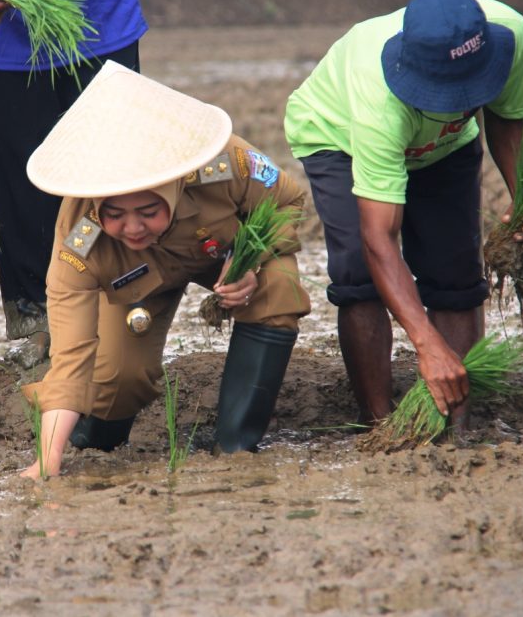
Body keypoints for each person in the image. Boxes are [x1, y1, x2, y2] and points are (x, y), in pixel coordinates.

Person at [18, 62, 311, 478]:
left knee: (278, 286)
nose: (133, 227)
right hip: (138, 282)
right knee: (121, 378)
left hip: (222, 255)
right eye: (115, 214)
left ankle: (236, 445)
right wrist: (46, 465)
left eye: (148, 211)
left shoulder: (224, 162)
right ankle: (90, 433)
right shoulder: (78, 240)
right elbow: (71, 356)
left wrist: (252, 258)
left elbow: (288, 201)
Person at [283, 0, 523, 430]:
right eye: (445, 93)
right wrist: (426, 344)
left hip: (445, 146)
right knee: (358, 275)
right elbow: (379, 239)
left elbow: (505, 116)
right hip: (339, 136)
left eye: (470, 89)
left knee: (455, 274)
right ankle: (379, 425)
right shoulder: (378, 101)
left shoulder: (511, 34)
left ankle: (455, 423)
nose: (460, 103)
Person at [0, 0, 148, 369]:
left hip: (99, 24)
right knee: (19, 189)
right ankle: (38, 323)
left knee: (113, 181)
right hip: (2, 42)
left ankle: (116, 314)